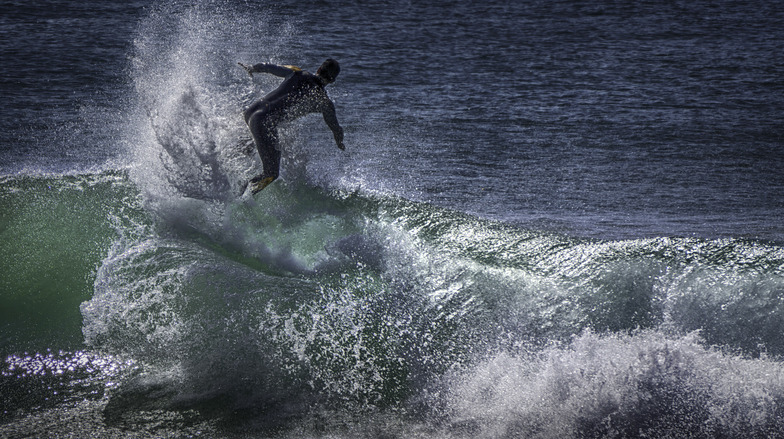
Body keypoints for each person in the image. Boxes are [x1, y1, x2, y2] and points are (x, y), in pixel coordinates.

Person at [238, 58, 345, 193]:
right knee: (271, 173)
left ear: (318, 70)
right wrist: (339, 141)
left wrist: (252, 67)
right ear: (332, 81)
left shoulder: (297, 72)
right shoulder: (324, 101)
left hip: (251, 112)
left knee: (254, 143)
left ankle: (223, 163)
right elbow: (336, 128)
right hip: (264, 122)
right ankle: (238, 195)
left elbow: (269, 67)